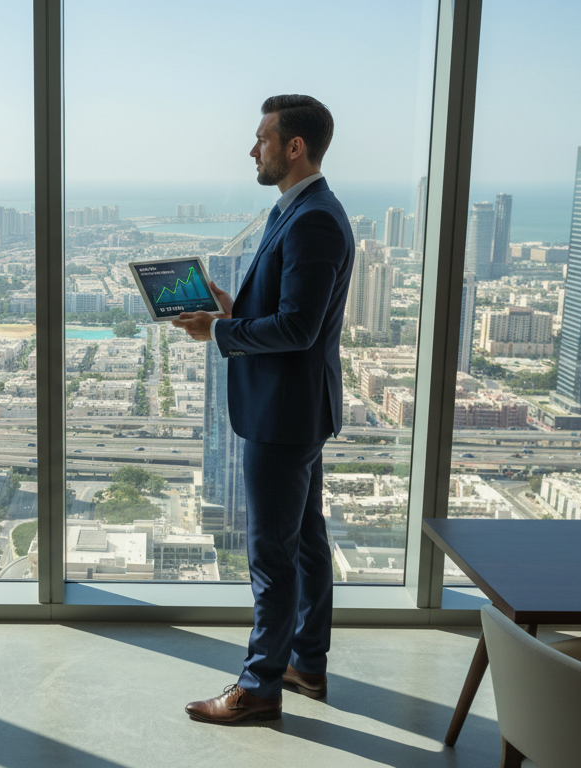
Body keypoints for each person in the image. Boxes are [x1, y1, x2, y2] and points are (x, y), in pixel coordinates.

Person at [175, 94, 354, 724]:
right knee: (305, 542)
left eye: (262, 138)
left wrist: (220, 335)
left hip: (284, 415)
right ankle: (306, 662)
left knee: (271, 556)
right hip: (295, 410)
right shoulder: (301, 210)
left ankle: (258, 688)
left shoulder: (313, 220)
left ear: (294, 146)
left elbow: (300, 328)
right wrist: (232, 309)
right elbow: (286, 310)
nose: (254, 149)